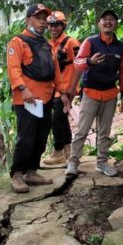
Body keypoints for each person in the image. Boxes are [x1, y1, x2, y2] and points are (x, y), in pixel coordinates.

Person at [6, 3, 69, 193]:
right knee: (26, 137)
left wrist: (63, 93)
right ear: (28, 20)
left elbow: (55, 71)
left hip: (46, 97)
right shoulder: (17, 42)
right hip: (27, 99)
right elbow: (14, 68)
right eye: (38, 18)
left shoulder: (46, 44)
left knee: (41, 137)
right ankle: (17, 174)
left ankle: (32, 171)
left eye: (45, 19)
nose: (43, 23)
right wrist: (23, 89)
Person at [65, 10, 123, 177]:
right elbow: (77, 63)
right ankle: (73, 162)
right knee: (82, 130)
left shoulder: (121, 47)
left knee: (104, 132)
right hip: (90, 93)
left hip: (110, 95)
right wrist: (89, 61)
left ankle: (102, 163)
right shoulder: (90, 42)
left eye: (112, 19)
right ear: (98, 24)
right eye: (104, 19)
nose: (108, 22)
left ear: (116, 24)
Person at [43, 11, 80, 166]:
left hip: (67, 88)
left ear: (63, 25)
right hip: (55, 88)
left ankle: (58, 151)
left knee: (56, 119)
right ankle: (67, 150)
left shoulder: (71, 43)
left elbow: (80, 66)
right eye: (51, 25)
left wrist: (73, 89)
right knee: (62, 119)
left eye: (57, 25)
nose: (53, 28)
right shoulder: (49, 44)